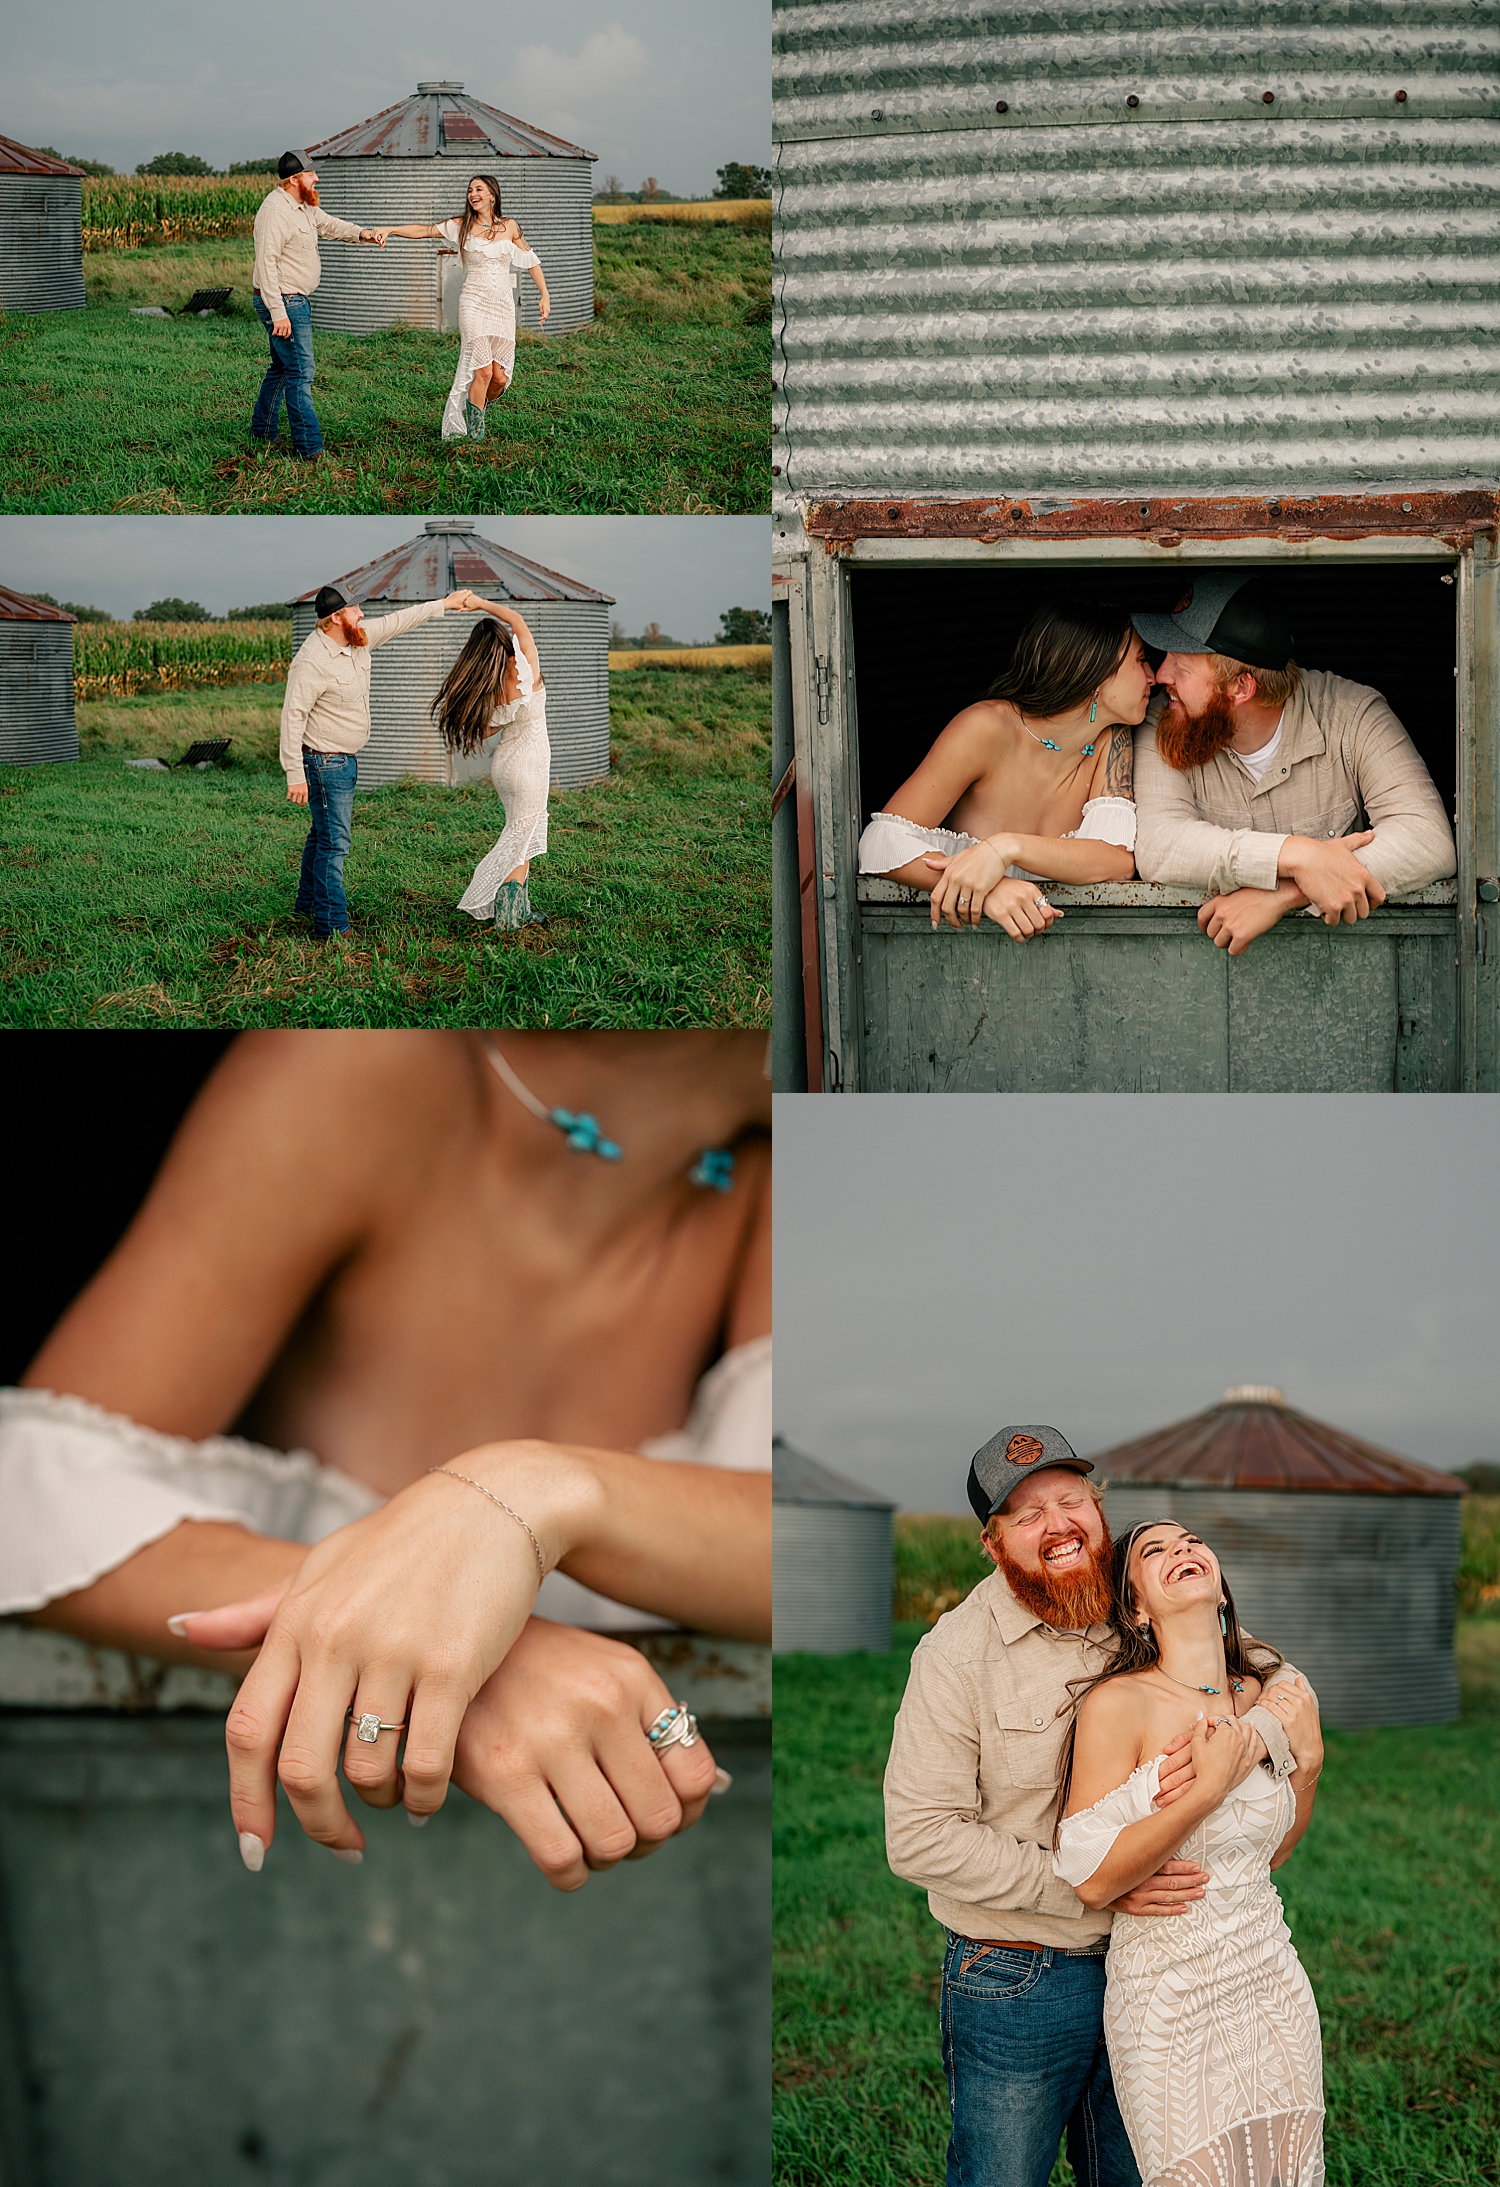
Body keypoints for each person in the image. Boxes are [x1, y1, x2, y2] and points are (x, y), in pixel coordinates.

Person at [0, 1030, 770, 1883]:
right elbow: (29, 1483)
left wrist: (526, 1494)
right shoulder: (359, 1068)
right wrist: (445, 1649)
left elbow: (808, 1551)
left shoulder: (774, 1163)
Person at [884, 1425, 1312, 2187]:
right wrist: (1099, 1877)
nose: (1058, 1525)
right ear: (993, 1542)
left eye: (1070, 1499)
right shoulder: (955, 1654)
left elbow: (1265, 1672)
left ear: (1098, 1507)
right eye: (1026, 1515)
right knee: (1000, 2176)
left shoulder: (1136, 1595)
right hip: (1018, 1974)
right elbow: (919, 1836)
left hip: (1151, 1969)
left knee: (1132, 2171)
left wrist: (1273, 1731)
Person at [1054, 1520, 1325, 2186]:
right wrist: (1203, 1793)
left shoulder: (1266, 1695)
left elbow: (1271, 1854)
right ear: (1138, 1607)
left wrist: (1310, 1763)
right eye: (1155, 1550)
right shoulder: (1120, 1704)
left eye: (1192, 1541)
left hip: (1271, 1982)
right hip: (1171, 1998)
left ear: (1223, 1592)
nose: (1182, 1549)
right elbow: (1089, 1877)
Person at [1131, 573, 1457, 955]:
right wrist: (1297, 856)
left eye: (1181, 667)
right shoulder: (1167, 719)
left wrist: (1288, 894)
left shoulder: (1353, 715)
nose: (1160, 675)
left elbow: (1428, 839)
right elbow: (1159, 846)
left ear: (1241, 689)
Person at [856, 603, 1152, 941]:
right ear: (1093, 669)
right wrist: (990, 889)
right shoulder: (987, 727)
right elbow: (880, 842)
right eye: (1141, 660)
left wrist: (1005, 848)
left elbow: (1116, 861)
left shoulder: (1110, 739)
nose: (1153, 676)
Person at [279, 582, 481, 939]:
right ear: (336, 618)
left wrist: (446, 604)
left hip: (342, 761)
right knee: (334, 844)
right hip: (325, 763)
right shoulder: (311, 661)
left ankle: (307, 904)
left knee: (321, 835)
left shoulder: (357, 638)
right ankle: (332, 927)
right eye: (355, 609)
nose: (362, 614)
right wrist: (295, 774)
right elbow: (292, 717)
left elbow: (401, 619)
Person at [370, 175, 550, 442]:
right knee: (483, 371)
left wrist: (544, 295)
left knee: (499, 378)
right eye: (469, 190)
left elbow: (531, 261)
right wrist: (390, 229)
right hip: (473, 302)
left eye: (479, 189)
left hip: (502, 305)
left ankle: (479, 406)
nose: (472, 194)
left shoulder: (510, 227)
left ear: (492, 195)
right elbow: (424, 230)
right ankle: (474, 437)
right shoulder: (461, 225)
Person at [250, 152, 386, 460]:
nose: (317, 178)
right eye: (311, 174)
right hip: (284, 301)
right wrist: (278, 313)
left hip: (292, 299)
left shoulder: (304, 205)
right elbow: (267, 263)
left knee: (283, 368)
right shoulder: (274, 211)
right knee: (301, 371)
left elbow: (328, 225)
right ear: (294, 179)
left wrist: (362, 233)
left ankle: (262, 430)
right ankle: (309, 448)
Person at [432, 598, 553, 931]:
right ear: (505, 643)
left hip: (505, 767)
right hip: (530, 765)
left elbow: (489, 729)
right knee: (522, 841)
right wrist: (482, 603)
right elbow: (516, 618)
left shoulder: (494, 684)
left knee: (518, 834)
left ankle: (521, 909)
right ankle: (509, 916)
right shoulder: (524, 667)